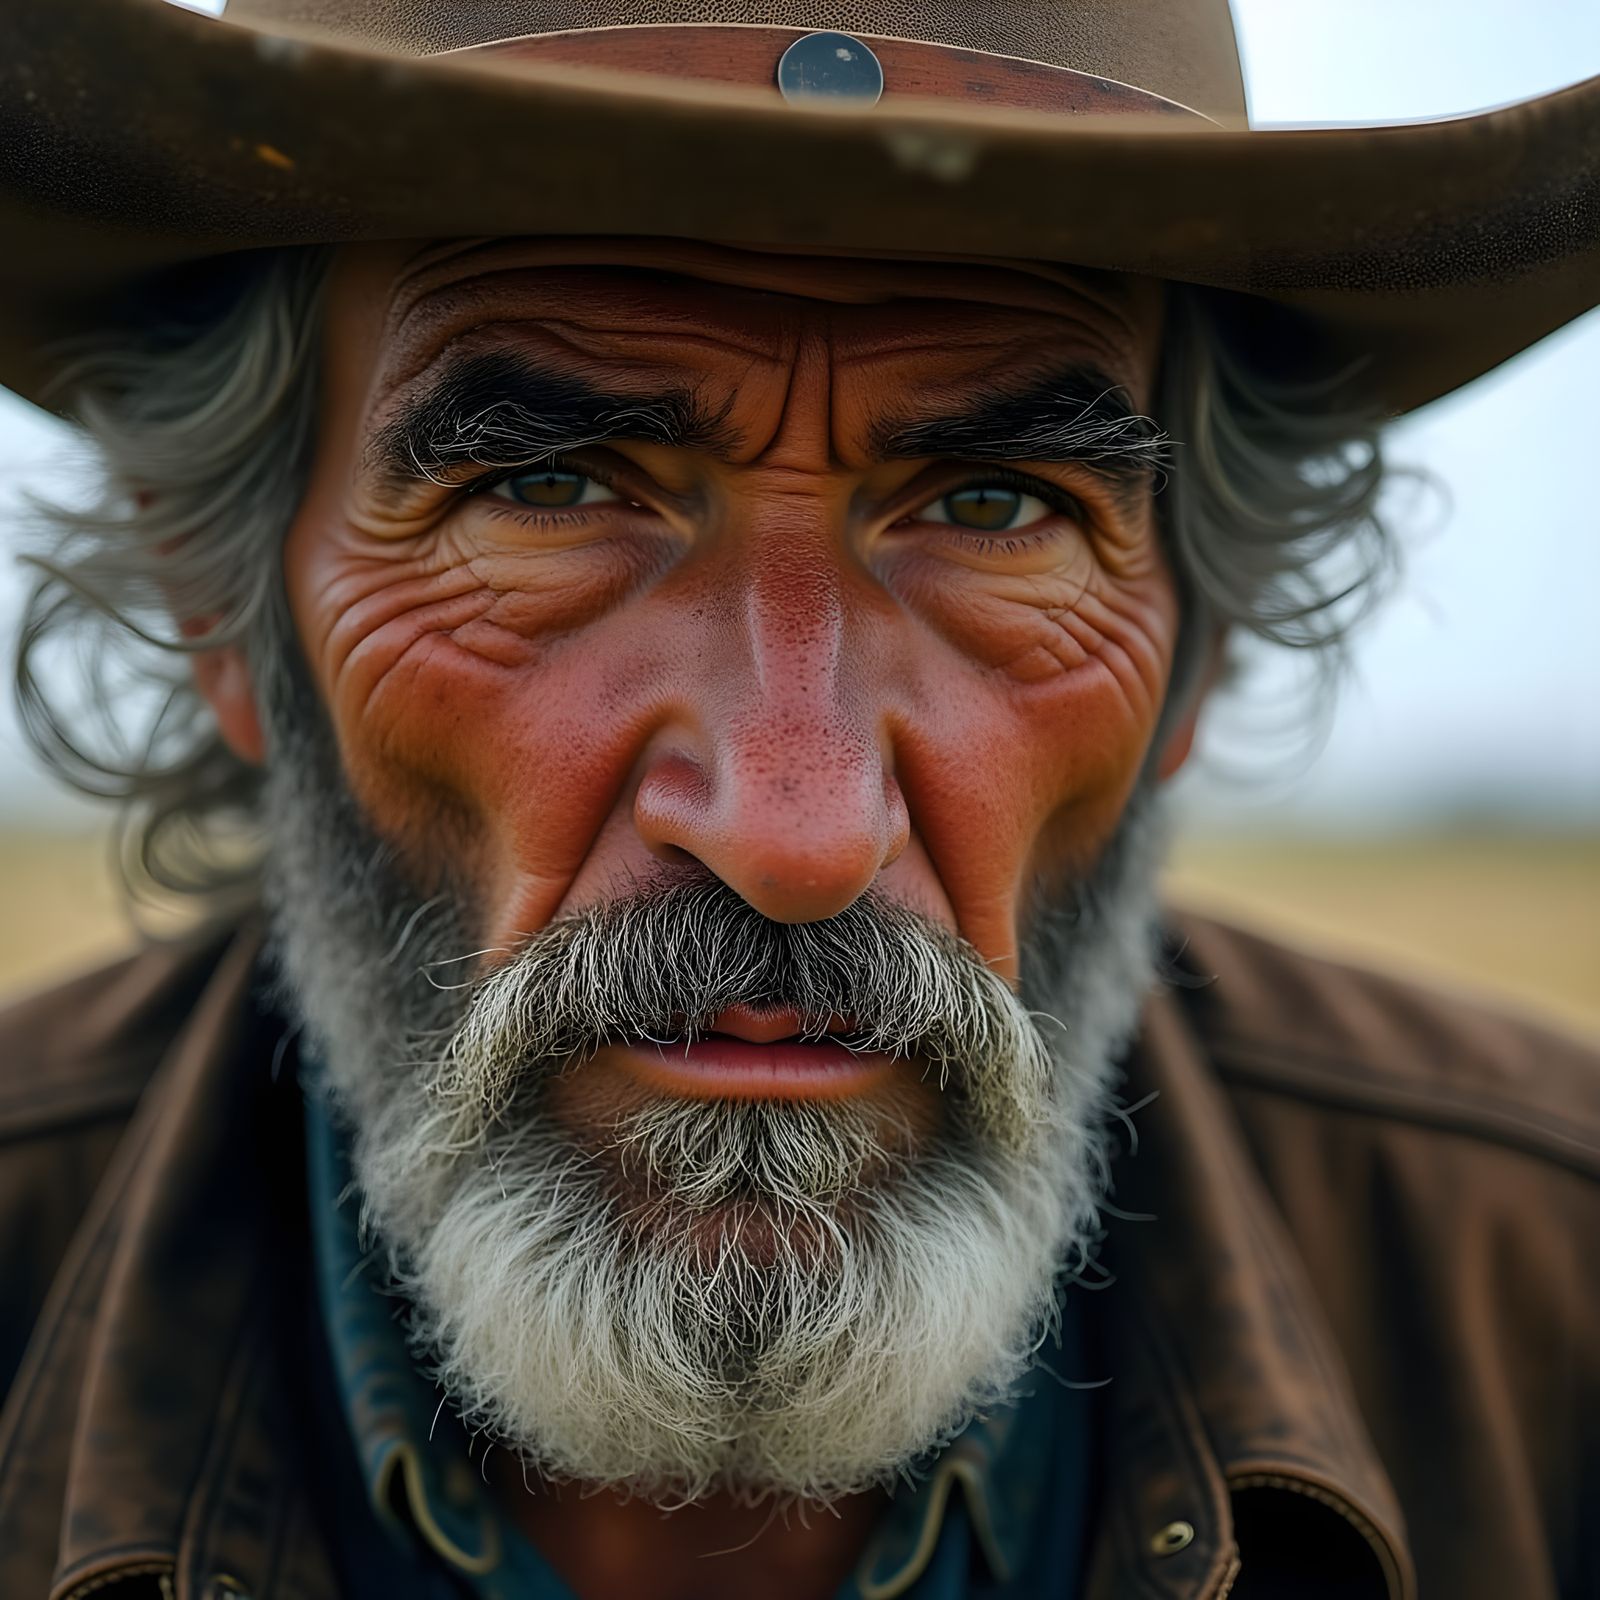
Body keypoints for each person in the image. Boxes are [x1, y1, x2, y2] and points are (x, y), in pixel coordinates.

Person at [1, 3, 1596, 1597]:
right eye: (548, 488)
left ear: (1201, 632)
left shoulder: (1553, 1307)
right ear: (218, 600)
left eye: (994, 505)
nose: (797, 834)